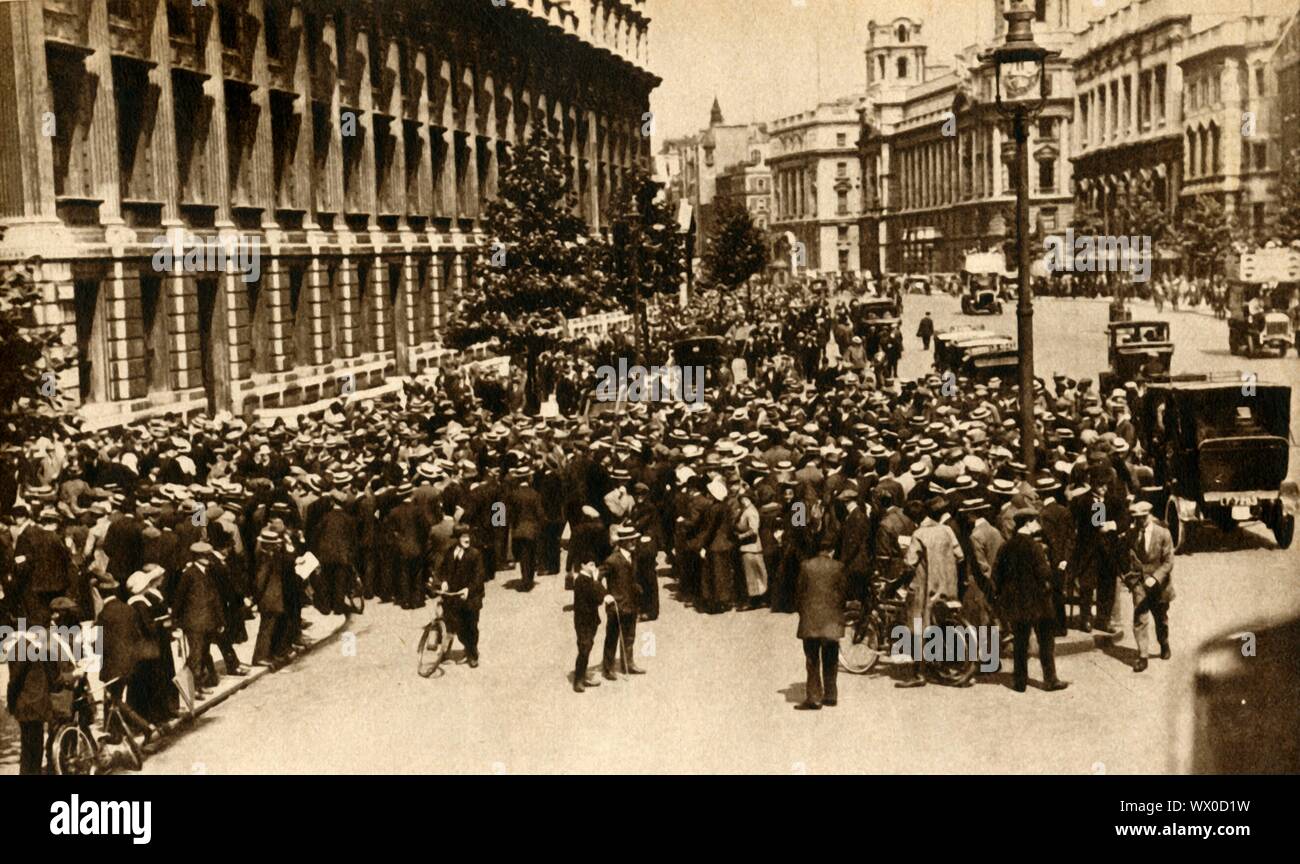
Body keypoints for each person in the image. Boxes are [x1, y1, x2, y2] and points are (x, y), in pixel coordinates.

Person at [993, 509, 1068, 693]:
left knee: (1020, 643)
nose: (1038, 525)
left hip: (1016, 603)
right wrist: (1059, 570)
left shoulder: (1006, 546)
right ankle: (1050, 680)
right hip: (1038, 602)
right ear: (1027, 523)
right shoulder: (1034, 547)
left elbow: (997, 575)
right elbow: (1044, 574)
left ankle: (1020, 682)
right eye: (1035, 521)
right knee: (1046, 642)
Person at [794, 537, 846, 710]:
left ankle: (814, 698)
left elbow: (799, 592)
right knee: (831, 657)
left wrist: (802, 611)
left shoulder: (806, 566)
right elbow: (843, 592)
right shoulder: (838, 567)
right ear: (831, 550)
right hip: (832, 619)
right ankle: (831, 695)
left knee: (812, 659)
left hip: (811, 619)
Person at [1124, 501, 1174, 673]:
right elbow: (1128, 558)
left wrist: (1156, 577)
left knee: (1161, 619)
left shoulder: (1163, 534)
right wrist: (1129, 580)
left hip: (1159, 584)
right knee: (1140, 617)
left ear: (1149, 515)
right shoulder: (1131, 534)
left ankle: (1164, 642)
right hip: (1139, 583)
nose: (1140, 522)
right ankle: (1143, 656)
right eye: (1136, 519)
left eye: (1143, 518)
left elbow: (1168, 562)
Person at [599, 525, 644, 679]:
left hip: (631, 602)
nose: (634, 542)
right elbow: (597, 580)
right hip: (616, 606)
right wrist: (605, 595)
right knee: (612, 637)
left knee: (630, 635)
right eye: (631, 540)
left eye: (634, 540)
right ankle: (608, 668)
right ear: (622, 542)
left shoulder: (634, 555)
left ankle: (628, 663)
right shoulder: (612, 560)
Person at [438, 525, 485, 667]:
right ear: (457, 539)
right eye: (463, 536)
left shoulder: (475, 554)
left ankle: (472, 654)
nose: (467, 539)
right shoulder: (450, 552)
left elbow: (479, 576)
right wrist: (444, 581)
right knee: (459, 627)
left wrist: (468, 590)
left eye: (468, 536)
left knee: (471, 626)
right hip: (454, 597)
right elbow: (444, 569)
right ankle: (464, 647)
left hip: (471, 597)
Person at [570, 562, 608, 692]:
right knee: (584, 648)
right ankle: (578, 680)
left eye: (594, 565)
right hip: (583, 622)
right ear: (582, 566)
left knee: (587, 647)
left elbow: (602, 594)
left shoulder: (588, 579)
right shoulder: (582, 580)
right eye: (591, 565)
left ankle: (583, 675)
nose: (594, 568)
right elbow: (598, 598)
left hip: (590, 620)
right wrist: (597, 580)